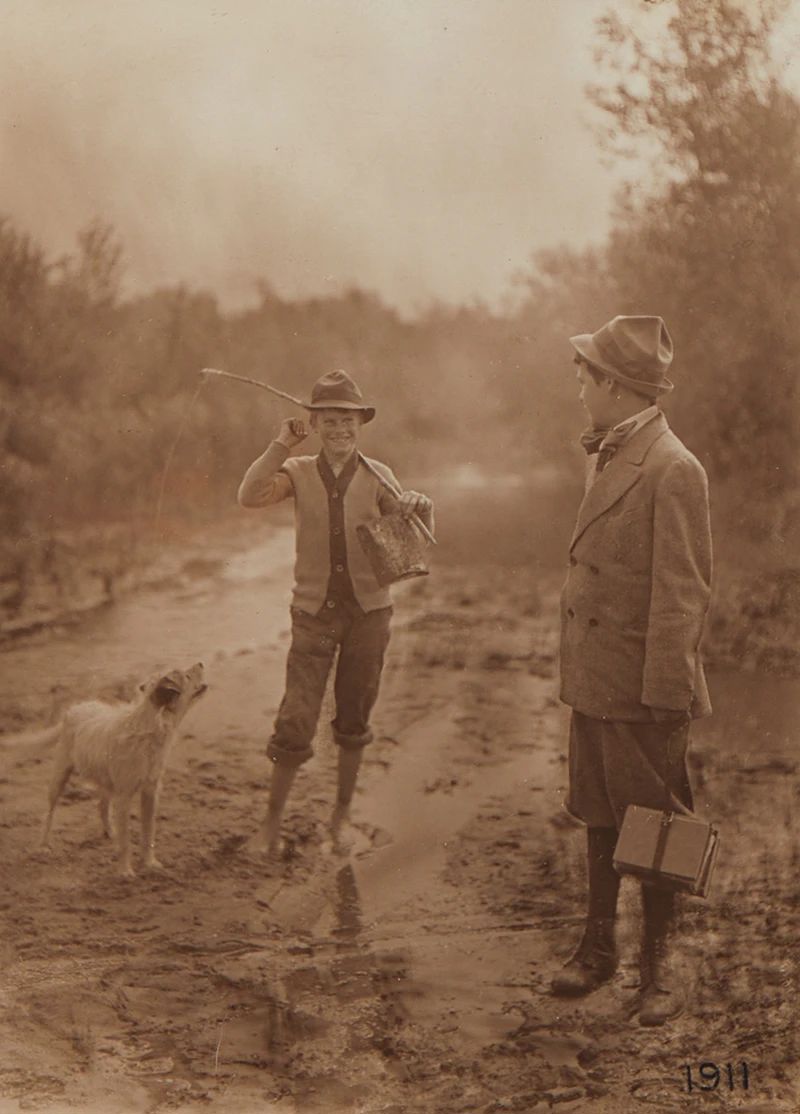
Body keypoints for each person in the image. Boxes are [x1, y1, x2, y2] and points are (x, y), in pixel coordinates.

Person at [552, 315, 712, 1027]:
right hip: (598, 676)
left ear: (615, 385)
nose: (580, 390)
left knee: (656, 826)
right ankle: (597, 950)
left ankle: (658, 968)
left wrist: (667, 696)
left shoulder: (673, 467)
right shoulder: (612, 451)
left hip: (645, 688)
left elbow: (683, 591)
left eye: (585, 378)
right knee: (597, 811)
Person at [237, 368, 434, 856]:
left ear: (360, 423)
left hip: (370, 614)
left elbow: (414, 539)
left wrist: (419, 506)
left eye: (348, 420)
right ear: (315, 424)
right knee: (296, 718)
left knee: (354, 716)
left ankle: (340, 818)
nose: (340, 429)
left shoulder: (378, 474)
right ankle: (270, 825)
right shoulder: (299, 471)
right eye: (328, 420)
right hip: (313, 615)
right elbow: (249, 495)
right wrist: (280, 445)